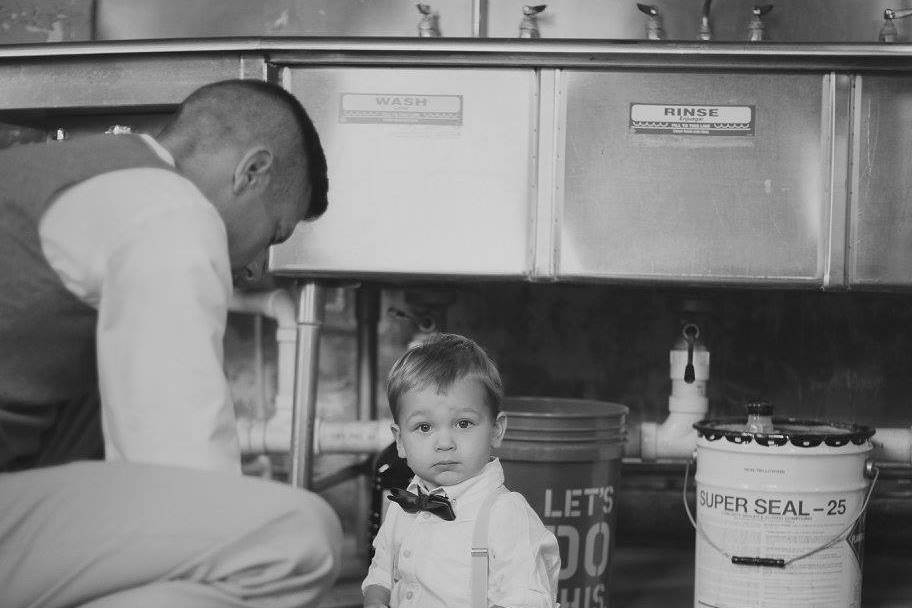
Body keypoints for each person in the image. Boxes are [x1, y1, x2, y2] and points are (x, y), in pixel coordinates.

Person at [0, 80, 342, 608]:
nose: (254, 268)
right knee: (294, 538)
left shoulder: (73, 174)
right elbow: (184, 474)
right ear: (251, 171)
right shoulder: (168, 209)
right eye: (274, 233)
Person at [362, 333, 560, 608]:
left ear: (496, 430)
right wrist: (376, 598)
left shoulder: (505, 515)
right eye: (424, 427)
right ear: (400, 442)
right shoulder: (402, 505)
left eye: (463, 424)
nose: (444, 443)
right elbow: (381, 571)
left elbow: (524, 600)